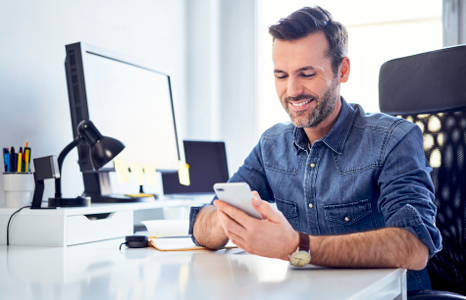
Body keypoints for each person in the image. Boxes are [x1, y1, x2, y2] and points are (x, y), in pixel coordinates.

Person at [188, 6, 442, 291]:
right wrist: (230, 219)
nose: (292, 90)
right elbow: (202, 225)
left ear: (342, 70)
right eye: (281, 76)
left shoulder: (393, 139)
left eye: (307, 74)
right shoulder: (272, 145)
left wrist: (297, 246)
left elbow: (415, 247)